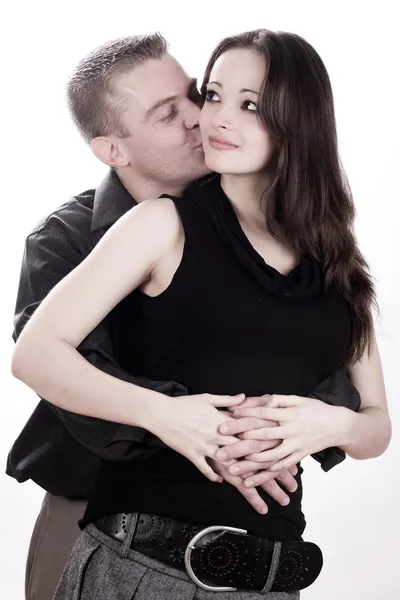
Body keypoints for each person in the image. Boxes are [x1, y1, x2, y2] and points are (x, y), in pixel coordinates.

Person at [11, 30, 388, 598]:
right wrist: (186, 422)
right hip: (117, 522)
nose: (204, 117)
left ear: (298, 119)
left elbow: (368, 416)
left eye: (207, 96)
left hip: (268, 568)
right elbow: (44, 357)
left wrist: (329, 425)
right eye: (209, 97)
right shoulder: (114, 232)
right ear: (115, 148)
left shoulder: (328, 258)